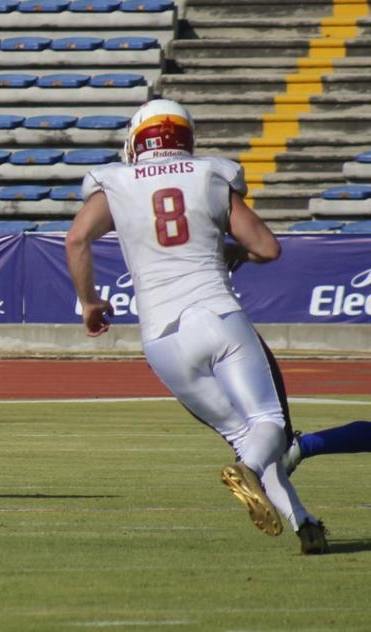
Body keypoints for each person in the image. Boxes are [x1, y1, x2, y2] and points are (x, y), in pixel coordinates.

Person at [65, 98, 329, 554]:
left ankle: (304, 523)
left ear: (137, 139)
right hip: (216, 314)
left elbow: (76, 239)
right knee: (267, 424)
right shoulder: (210, 173)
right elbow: (267, 248)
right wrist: (233, 253)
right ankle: (248, 472)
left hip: (162, 340)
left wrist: (89, 303)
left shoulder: (115, 180)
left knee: (243, 436)